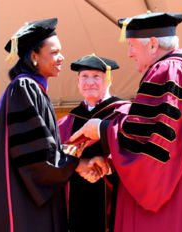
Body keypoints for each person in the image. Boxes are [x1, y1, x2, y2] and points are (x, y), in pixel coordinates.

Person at [69, 12, 182, 231]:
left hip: (168, 210)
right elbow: (165, 141)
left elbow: (153, 141)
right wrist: (112, 165)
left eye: (132, 45)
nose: (129, 53)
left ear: (152, 44)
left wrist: (101, 128)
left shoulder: (168, 70)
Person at [0, 18, 93, 232]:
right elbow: (35, 153)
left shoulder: (34, 90)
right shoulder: (24, 87)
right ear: (34, 56)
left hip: (32, 196)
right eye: (54, 52)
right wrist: (75, 163)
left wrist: (66, 155)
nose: (61, 58)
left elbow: (35, 147)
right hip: (24, 202)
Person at [58, 54, 130, 232]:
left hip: (112, 204)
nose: (89, 82)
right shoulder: (67, 122)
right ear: (77, 82)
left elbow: (133, 156)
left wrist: (108, 165)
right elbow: (52, 159)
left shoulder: (123, 114)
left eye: (96, 76)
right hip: (73, 212)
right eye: (84, 77)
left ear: (108, 80)